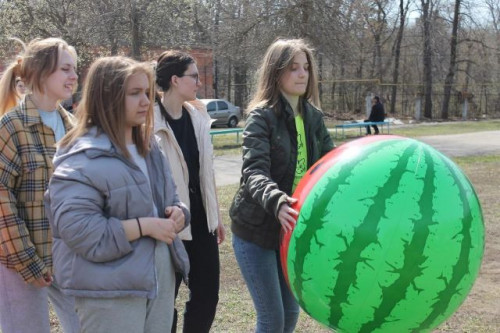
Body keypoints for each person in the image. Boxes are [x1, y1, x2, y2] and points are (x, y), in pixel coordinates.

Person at [44, 56, 190, 333]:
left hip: (157, 283)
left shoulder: (150, 147)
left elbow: (170, 197)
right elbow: (79, 230)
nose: (146, 102)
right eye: (135, 94)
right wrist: (145, 226)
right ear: (107, 97)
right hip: (109, 295)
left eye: (147, 93)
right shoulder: (80, 157)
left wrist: (179, 212)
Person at [229, 38, 334, 332]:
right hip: (256, 231)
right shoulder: (260, 117)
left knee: (289, 314)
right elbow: (254, 172)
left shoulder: (313, 117)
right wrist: (277, 201)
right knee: (272, 318)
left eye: (306, 68)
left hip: (290, 233)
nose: (303, 74)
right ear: (276, 73)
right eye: (293, 68)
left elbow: (331, 166)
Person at [0, 37, 80, 333]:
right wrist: (28, 262)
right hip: (18, 263)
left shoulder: (74, 126)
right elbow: (1, 201)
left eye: (75, 69)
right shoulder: (11, 127)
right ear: (40, 73)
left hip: (68, 259)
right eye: (65, 69)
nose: (74, 76)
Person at [154, 50, 224, 333]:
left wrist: (216, 216)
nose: (198, 82)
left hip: (202, 223)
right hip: (169, 227)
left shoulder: (198, 116)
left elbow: (207, 172)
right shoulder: (150, 123)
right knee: (163, 303)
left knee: (208, 297)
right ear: (174, 79)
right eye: (193, 76)